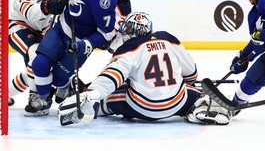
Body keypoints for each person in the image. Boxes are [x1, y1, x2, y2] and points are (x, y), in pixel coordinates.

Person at [58, 11, 232, 126]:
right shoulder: (168, 39)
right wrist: (185, 85)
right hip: (177, 102)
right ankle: (203, 104)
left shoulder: (128, 49)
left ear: (131, 30)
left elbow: (112, 77)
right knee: (191, 90)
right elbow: (192, 74)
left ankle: (92, 106)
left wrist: (92, 93)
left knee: (110, 98)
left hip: (144, 108)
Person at [31, 0, 119, 114]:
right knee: (40, 64)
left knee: (58, 79)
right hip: (62, 28)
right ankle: (44, 99)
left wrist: (88, 44)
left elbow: (106, 34)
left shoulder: (107, 2)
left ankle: (65, 85)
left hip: (80, 43)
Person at [8, 0, 66, 115]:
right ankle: (37, 97)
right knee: (35, 55)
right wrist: (48, 6)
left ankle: (5, 93)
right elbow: (30, 13)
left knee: (37, 68)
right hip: (19, 28)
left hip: (43, 31)